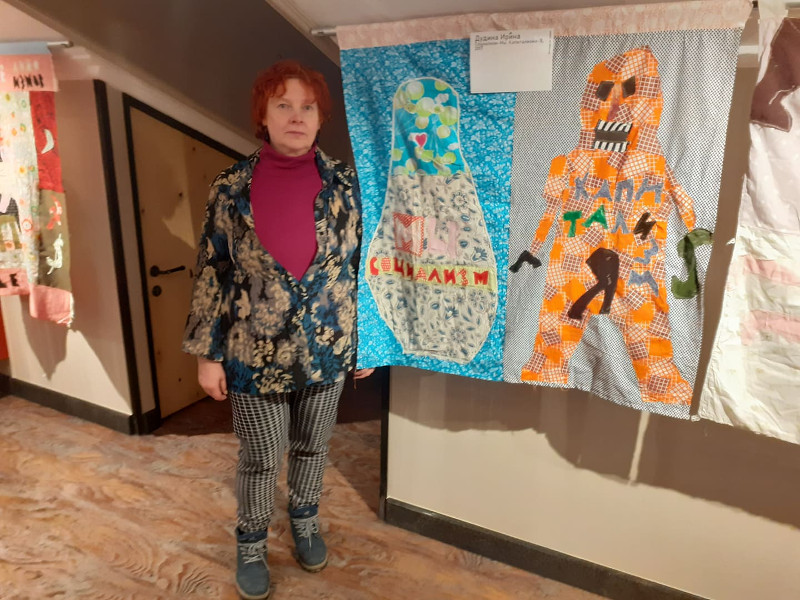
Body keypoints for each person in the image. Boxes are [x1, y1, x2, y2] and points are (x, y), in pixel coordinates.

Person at [182, 59, 373, 600]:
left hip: (328, 347)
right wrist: (207, 354)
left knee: (313, 446)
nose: (296, 116)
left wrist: (370, 340)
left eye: (307, 107)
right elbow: (213, 271)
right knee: (262, 456)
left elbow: (364, 268)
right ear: (262, 115)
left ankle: (305, 519)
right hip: (251, 351)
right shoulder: (230, 187)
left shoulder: (348, 185)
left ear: (321, 117)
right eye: (283, 105)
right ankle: (251, 543)